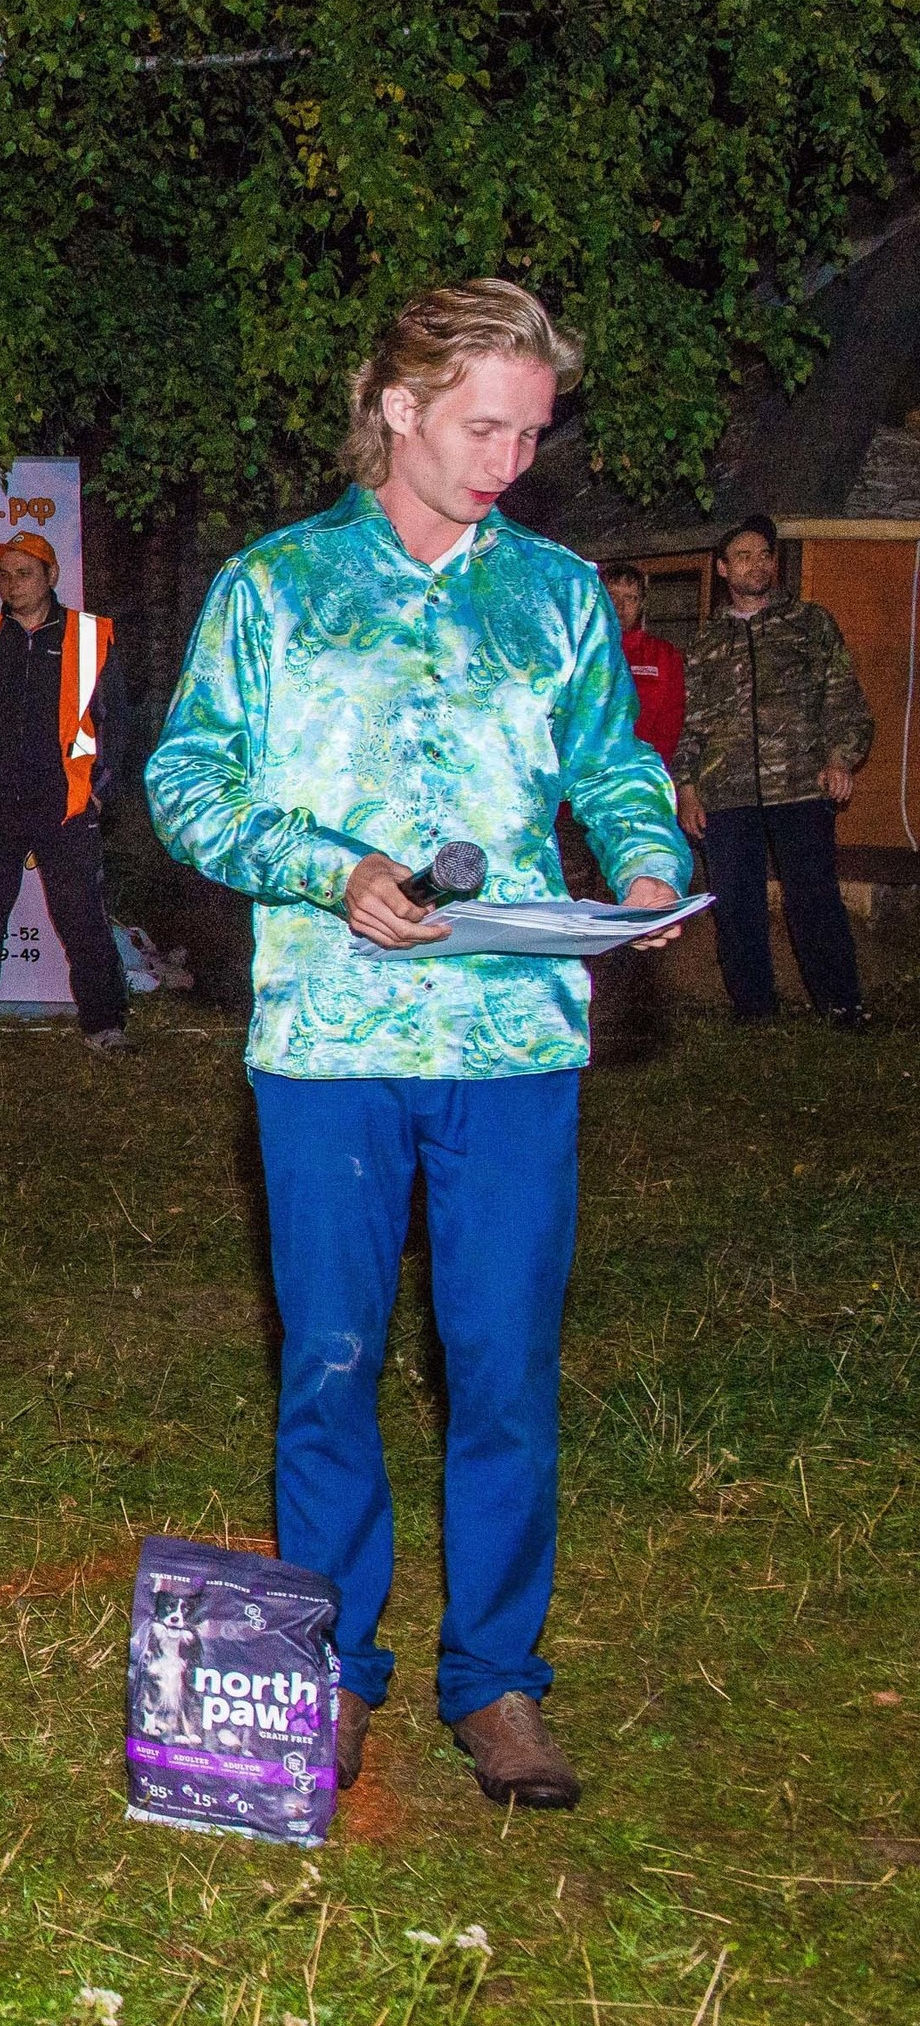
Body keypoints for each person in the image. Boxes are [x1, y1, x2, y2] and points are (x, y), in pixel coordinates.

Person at [148, 279, 690, 1813]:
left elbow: (614, 761)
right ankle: (325, 1667)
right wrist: (332, 867)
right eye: (481, 426)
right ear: (397, 408)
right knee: (330, 1366)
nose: (510, 458)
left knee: (504, 1367)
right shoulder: (272, 590)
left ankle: (499, 1682)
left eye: (530, 432)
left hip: (515, 1041)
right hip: (326, 1042)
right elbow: (188, 784)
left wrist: (641, 866)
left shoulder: (562, 593)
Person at [0, 531, 130, 1054]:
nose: (11, 584)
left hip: (62, 802)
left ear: (51, 577)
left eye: (24, 573)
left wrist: (99, 792)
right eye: (4, 574)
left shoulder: (90, 635)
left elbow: (116, 723)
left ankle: (105, 1025)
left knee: (81, 914)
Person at [672, 515, 872, 1029]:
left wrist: (839, 757)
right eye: (744, 556)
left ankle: (841, 1003)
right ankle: (753, 1008)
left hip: (801, 787)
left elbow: (843, 696)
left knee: (814, 900)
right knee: (737, 905)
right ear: (721, 568)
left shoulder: (810, 623)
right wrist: (687, 786)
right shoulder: (705, 641)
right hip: (726, 795)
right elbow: (690, 720)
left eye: (765, 554)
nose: (757, 564)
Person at [600, 562, 684, 769]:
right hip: (582, 784)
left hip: (639, 778)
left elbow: (671, 723)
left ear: (642, 605)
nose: (620, 606)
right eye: (612, 596)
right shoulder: (576, 653)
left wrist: (644, 770)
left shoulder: (663, 656)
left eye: (631, 598)